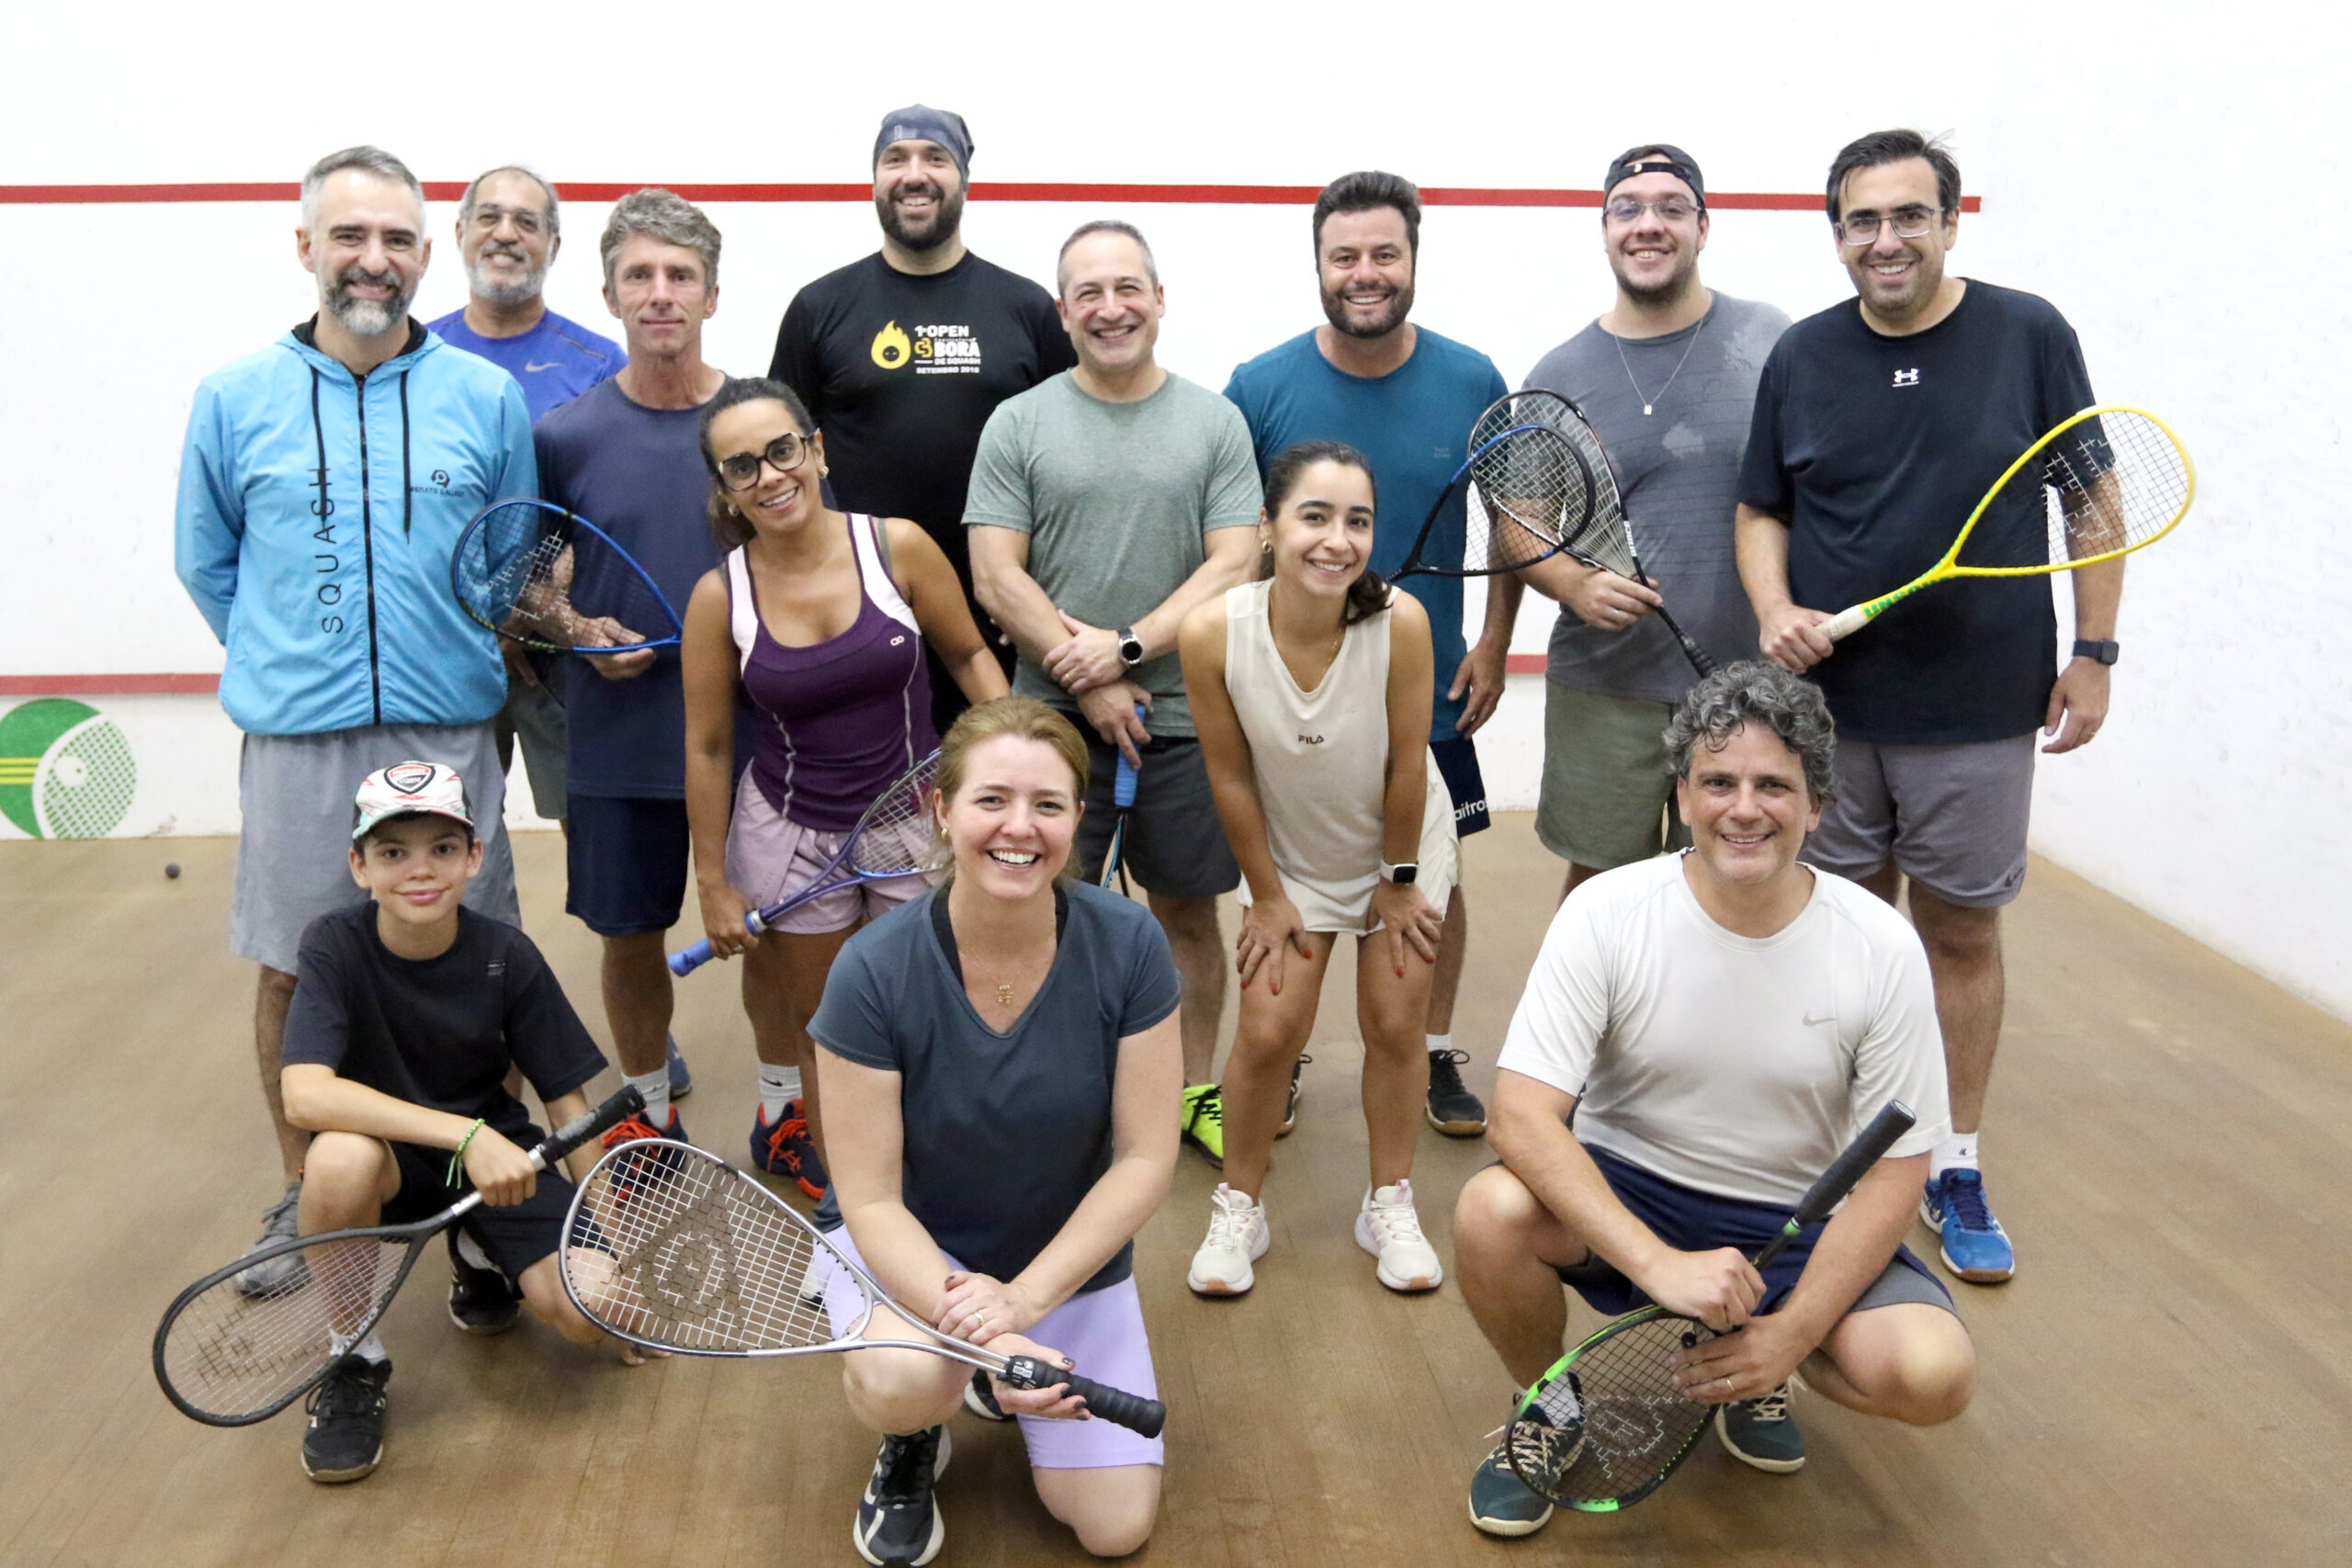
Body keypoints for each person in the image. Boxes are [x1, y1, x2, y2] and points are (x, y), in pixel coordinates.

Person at [1452, 662, 1974, 1538]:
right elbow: (1518, 1115)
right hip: (1631, 1191)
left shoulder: (1881, 944)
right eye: (1719, 781)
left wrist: (1795, 1330)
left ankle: (1756, 1364)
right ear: (1684, 795)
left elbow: (1900, 1168)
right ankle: (1549, 1406)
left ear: (1817, 806)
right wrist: (1655, 1262)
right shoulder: (1607, 910)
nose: (1744, 807)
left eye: (1775, 785)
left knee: (1932, 1374)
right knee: (1488, 1211)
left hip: (1796, 1223)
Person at [1736, 129, 2117, 1284]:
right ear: (1838, 234)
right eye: (1862, 220)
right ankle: (1845, 1152)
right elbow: (1763, 510)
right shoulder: (1801, 357)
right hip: (1832, 712)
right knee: (1843, 932)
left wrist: (2094, 651)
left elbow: (2091, 500)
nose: (1886, 239)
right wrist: (1771, 610)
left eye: (1909, 216)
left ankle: (1954, 1158)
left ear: (1950, 222)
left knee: (1956, 931)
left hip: (1979, 706)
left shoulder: (2026, 336)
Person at [175, 145, 531, 1304]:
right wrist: (295, 660)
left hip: (446, 731)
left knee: (482, 966)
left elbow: (513, 554)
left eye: (394, 240)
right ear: (306, 248)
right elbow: (210, 560)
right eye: (348, 236)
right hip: (300, 740)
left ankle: (487, 1212)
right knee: (290, 967)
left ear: (426, 258)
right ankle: (303, 1191)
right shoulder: (234, 398)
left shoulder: (485, 396)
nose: (371, 260)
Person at [809, 697, 1182, 1564]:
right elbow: (867, 1192)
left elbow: (1146, 1156)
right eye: (991, 800)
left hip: (1057, 1264)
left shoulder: (1130, 943)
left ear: (1077, 819)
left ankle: (979, 1377)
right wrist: (993, 1339)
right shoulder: (871, 969)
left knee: (1115, 1526)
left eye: (1048, 805)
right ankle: (918, 1432)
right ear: (942, 809)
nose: (1020, 827)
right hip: (909, 1253)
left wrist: (1024, 1302)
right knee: (906, 1379)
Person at [1222, 171, 1510, 1142]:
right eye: (1344, 256)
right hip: (1291, 700)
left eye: (1384, 253)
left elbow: (1510, 527)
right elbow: (1232, 541)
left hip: (1425, 688)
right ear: (1316, 264)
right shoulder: (1258, 388)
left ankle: (1426, 1052)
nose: (1365, 273)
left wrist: (1497, 643)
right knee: (1293, 872)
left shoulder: (1473, 380)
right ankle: (1286, 1051)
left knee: (1435, 875)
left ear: (1414, 258)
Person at [967, 220, 1261, 1164]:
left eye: (1127, 287)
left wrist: (1125, 649)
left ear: (1160, 300)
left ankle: (1192, 1092)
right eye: (1087, 293)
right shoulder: (1020, 422)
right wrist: (1084, 676)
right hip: (1048, 727)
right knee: (1041, 904)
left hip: (1186, 715)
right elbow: (993, 574)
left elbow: (1237, 558)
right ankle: (1050, 1094)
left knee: (1186, 912)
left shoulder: (1213, 421)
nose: (1110, 307)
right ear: (1063, 313)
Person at [681, 377, 1008, 1199]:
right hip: (791, 838)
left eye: (782, 450)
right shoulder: (719, 596)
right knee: (824, 1032)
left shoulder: (897, 545)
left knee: (930, 1020)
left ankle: (934, 1190)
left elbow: (969, 659)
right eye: (742, 466)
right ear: (725, 490)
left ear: (816, 449)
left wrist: (1011, 765)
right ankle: (847, 1209)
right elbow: (711, 745)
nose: (770, 475)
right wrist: (714, 882)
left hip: (915, 823)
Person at [277, 761, 646, 1484]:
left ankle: (480, 1251)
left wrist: (613, 1244)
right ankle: (354, 1355)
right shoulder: (332, 944)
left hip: (497, 1169)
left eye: (442, 848)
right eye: (393, 852)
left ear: (474, 857)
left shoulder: (506, 955)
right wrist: (467, 1136)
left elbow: (568, 1104)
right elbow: (304, 1094)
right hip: (396, 1162)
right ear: (359, 866)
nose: (420, 869)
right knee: (336, 1159)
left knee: (594, 1308)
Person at [1179, 442, 1460, 1298]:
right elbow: (1228, 774)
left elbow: (1408, 764)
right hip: (1290, 857)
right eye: (1315, 515)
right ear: (1267, 527)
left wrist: (1400, 876)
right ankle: (1240, 1208)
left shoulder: (1400, 624)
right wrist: (1265, 895)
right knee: (1268, 1033)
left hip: (1400, 847)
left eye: (1358, 520)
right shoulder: (1209, 632)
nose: (1337, 540)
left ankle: (1389, 1202)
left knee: (1395, 1020)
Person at [1517, 144, 1791, 898]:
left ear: (1704, 228)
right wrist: (1573, 583)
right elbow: (1523, 522)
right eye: (1629, 210)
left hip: (1751, 681)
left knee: (1743, 886)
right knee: (1601, 889)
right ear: (1604, 230)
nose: (1649, 225)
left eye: (1672, 208)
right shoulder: (1559, 372)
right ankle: (1600, 1025)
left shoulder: (1772, 340)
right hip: (1608, 687)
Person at [532, 189, 734, 1154]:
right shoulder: (566, 436)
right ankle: (647, 1116)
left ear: (711, 294)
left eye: (680, 276)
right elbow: (527, 588)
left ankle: (786, 1110)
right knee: (628, 935)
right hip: (618, 741)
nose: (661, 295)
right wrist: (575, 625)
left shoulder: (757, 421)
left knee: (779, 934)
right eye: (640, 277)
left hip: (751, 734)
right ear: (610, 295)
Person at [768, 106, 1076, 737]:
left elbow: (1070, 462)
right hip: (857, 617)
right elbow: (779, 464)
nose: (915, 174)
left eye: (935, 158)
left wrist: (1040, 600)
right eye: (896, 159)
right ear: (874, 180)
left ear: (964, 179)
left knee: (985, 805)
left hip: (1003, 618)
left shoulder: (1025, 309)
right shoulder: (818, 308)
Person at [426, 164, 627, 845]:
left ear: (553, 245)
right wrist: (483, 616)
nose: (506, 234)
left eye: (527, 222)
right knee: (437, 835)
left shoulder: (598, 361)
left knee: (595, 844)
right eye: (489, 217)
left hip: (557, 648)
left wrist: (532, 614)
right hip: (445, 644)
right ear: (459, 233)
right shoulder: (412, 357)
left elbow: (600, 510)